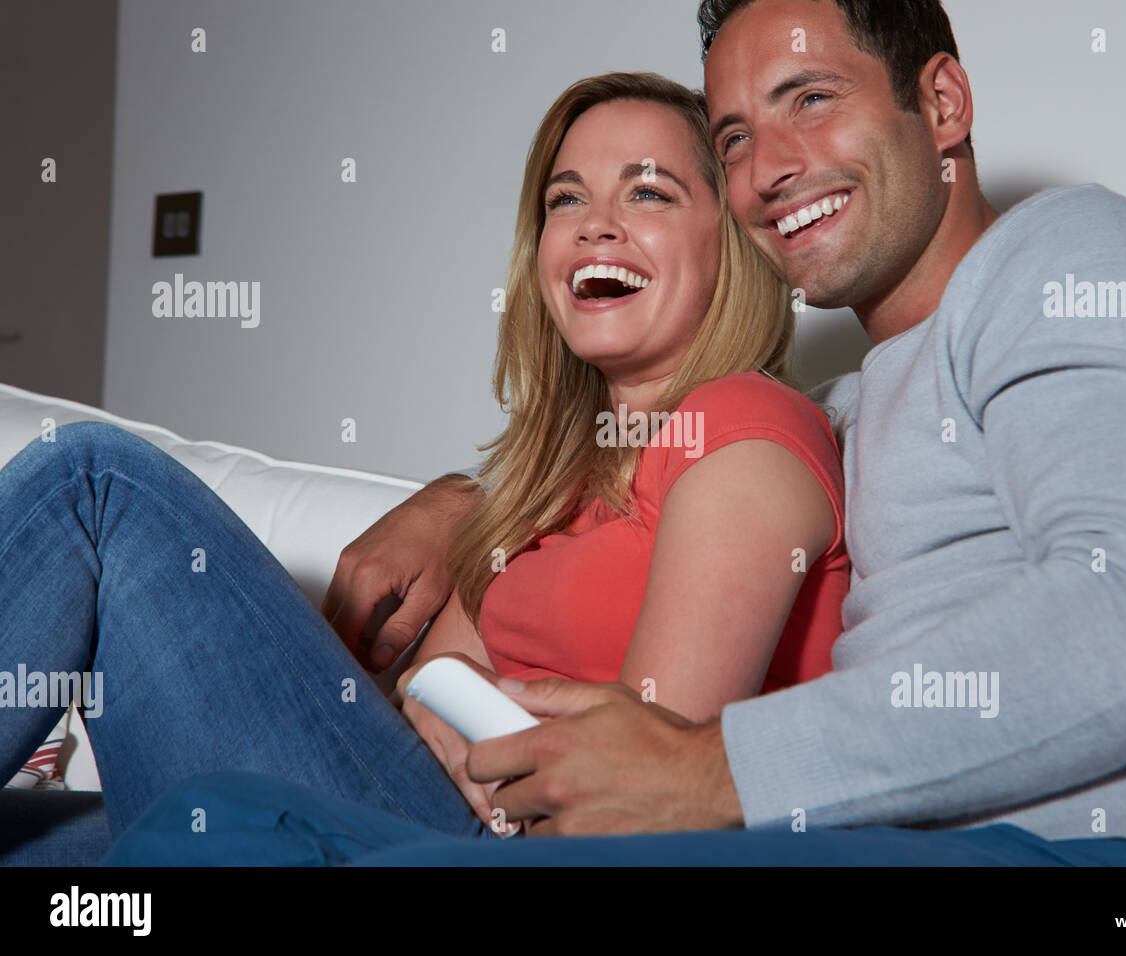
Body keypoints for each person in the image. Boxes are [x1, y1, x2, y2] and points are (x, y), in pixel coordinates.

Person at [104, 0, 1126, 866]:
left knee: (106, 506)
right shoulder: (851, 412)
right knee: (195, 835)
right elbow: (655, 483)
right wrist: (463, 502)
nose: (768, 167)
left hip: (1103, 865)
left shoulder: (1069, 258)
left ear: (941, 105)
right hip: (862, 841)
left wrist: (708, 770)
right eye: (730, 138)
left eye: (809, 100)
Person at [0, 73, 851, 862]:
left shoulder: (745, 426)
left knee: (94, 485)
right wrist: (461, 552)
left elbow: (641, 797)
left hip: (485, 847)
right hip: (418, 813)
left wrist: (466, 714)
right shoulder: (545, 485)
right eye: (567, 199)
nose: (596, 223)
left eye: (649, 192)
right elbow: (424, 697)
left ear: (733, 243)